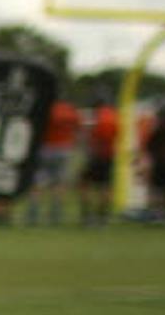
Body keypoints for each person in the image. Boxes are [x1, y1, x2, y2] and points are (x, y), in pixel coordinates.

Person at [30, 95, 80, 227]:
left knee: (37, 181)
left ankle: (33, 214)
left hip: (45, 148)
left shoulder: (45, 108)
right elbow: (77, 128)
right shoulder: (70, 110)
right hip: (64, 149)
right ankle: (55, 214)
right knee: (58, 183)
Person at [79, 95, 118, 225]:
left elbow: (88, 137)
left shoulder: (95, 117)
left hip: (95, 155)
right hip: (109, 155)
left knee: (85, 184)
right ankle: (103, 215)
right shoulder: (114, 116)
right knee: (105, 186)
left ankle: (87, 215)